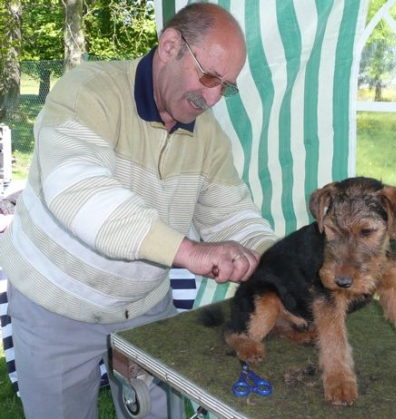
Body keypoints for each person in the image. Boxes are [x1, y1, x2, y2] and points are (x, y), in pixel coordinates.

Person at [0, 3, 278, 419]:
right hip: (55, 304)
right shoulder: (86, 92)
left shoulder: (208, 138)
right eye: (208, 77)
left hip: (143, 307)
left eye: (227, 87)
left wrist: (280, 262)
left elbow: (232, 214)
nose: (214, 98)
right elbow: (80, 193)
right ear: (169, 47)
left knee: (162, 413)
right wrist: (192, 252)